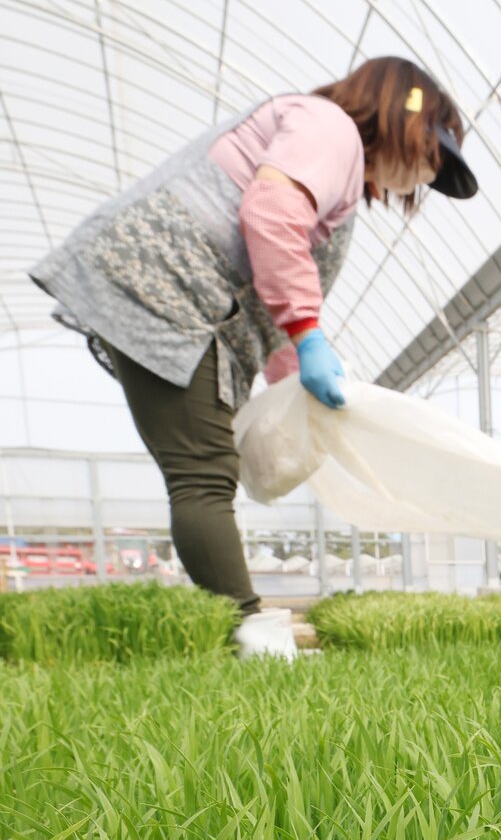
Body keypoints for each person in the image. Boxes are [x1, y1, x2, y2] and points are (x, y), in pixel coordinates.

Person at [30, 56, 477, 657]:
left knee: (204, 470)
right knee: (203, 471)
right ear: (403, 116)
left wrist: (296, 382)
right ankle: (251, 638)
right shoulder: (330, 129)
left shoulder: (335, 166)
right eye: (431, 154)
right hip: (167, 286)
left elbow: (275, 290)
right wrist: (308, 334)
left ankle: (242, 633)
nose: (426, 173)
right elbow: (270, 215)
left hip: (175, 294)